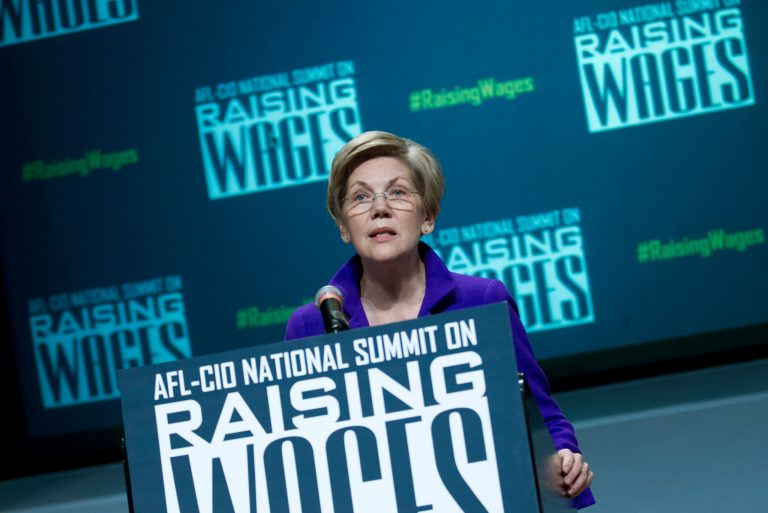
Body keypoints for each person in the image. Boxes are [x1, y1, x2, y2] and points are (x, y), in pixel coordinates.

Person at [285, 130, 595, 508]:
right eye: (361, 197)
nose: (379, 208)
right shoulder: (310, 326)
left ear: (428, 216)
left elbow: (541, 415)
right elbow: (304, 456)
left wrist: (564, 456)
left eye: (397, 193)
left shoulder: (482, 301)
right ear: (344, 227)